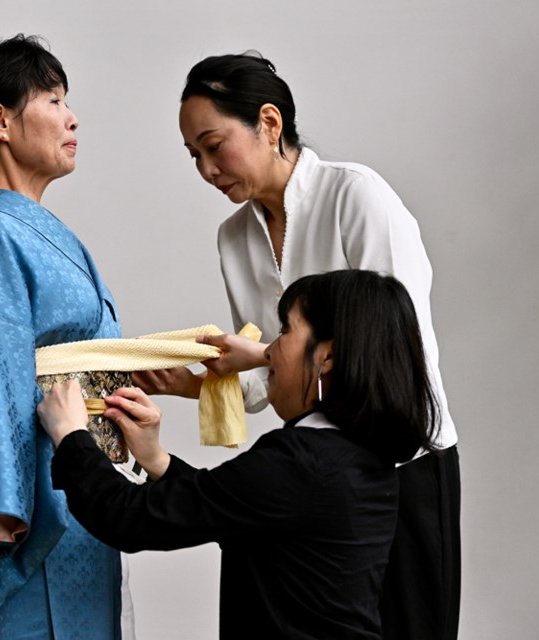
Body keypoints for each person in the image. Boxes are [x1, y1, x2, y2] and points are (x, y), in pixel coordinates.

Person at [134, 53, 461, 640]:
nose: (207, 169)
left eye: (214, 145)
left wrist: (255, 356)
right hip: (318, 475)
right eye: (194, 157)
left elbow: (394, 347)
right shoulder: (234, 237)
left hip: (402, 462)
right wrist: (205, 383)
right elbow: (271, 382)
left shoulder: (355, 195)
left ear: (269, 122)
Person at [41, 269, 440, 639]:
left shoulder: (303, 461)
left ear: (327, 356)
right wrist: (155, 458)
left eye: (285, 331)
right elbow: (233, 512)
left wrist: (71, 433)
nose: (269, 352)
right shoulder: (360, 458)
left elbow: (127, 519)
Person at [0, 33, 124, 639]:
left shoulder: (24, 228)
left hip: (75, 489)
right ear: (0, 121)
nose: (72, 118)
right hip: (31, 514)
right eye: (53, 100)